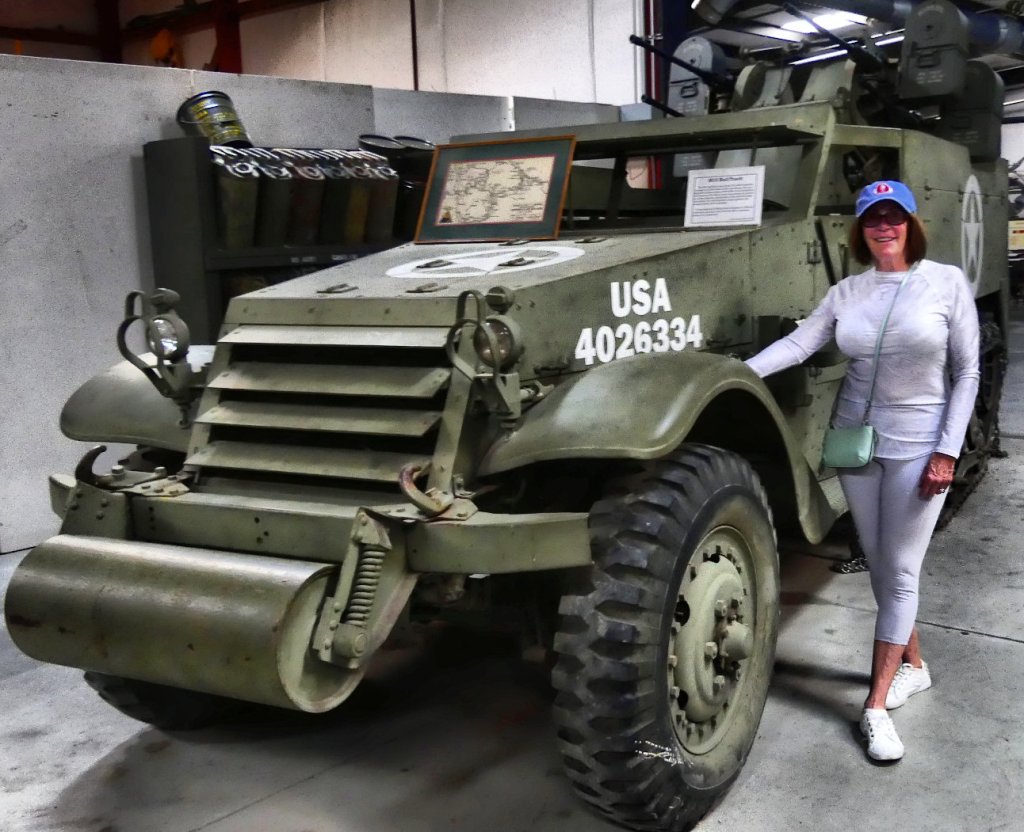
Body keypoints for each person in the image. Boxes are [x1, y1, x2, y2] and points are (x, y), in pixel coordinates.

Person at [745, 180, 980, 762]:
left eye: (894, 216)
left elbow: (967, 373)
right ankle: (914, 666)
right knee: (879, 563)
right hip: (856, 442)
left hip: (919, 444)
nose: (884, 226)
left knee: (900, 571)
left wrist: (948, 451)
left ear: (911, 224)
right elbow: (798, 346)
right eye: (873, 218)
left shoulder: (946, 282)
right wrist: (737, 373)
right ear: (860, 230)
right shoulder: (847, 291)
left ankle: (874, 707)